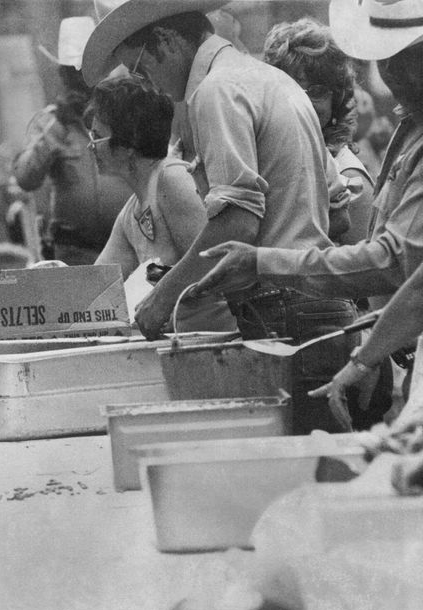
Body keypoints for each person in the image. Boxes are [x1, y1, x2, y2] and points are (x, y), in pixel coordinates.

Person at [81, 0, 358, 434]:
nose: (145, 83)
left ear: (167, 42)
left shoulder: (215, 92)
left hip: (279, 311)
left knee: (293, 470)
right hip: (321, 304)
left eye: (139, 67)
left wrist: (163, 297)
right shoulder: (271, 80)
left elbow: (235, 224)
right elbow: (339, 216)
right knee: (320, 465)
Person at [259, 0, 423, 430]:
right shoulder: (411, 129)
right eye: (385, 61)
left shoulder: (348, 170)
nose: (392, 74)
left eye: (407, 60)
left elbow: (389, 263)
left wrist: (370, 352)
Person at [89, 76, 234, 332]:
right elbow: (95, 287)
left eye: (97, 136)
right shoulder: (132, 210)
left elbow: (215, 266)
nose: (90, 146)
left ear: (128, 143)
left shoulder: (172, 178)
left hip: (211, 343)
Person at [13, 16, 132, 265]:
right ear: (62, 74)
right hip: (74, 250)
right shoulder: (50, 121)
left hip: (127, 245)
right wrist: (56, 126)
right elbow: (25, 178)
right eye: (73, 71)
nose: (81, 78)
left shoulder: (123, 112)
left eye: (88, 69)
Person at [262, 17, 374, 246]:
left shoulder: (349, 176)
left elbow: (365, 275)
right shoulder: (273, 158)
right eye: (291, 87)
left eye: (317, 91)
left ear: (337, 100)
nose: (303, 101)